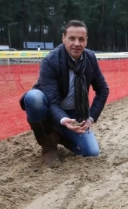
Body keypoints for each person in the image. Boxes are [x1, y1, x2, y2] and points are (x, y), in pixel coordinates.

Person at [19, 20, 109, 168]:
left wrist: (90, 117)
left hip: (75, 112)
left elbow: (103, 89)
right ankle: (49, 147)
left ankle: (59, 134)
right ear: (63, 38)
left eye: (81, 39)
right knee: (33, 97)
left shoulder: (90, 58)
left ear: (86, 41)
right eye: (72, 38)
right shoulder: (51, 61)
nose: (77, 43)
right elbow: (52, 101)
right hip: (50, 109)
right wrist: (62, 119)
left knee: (91, 152)